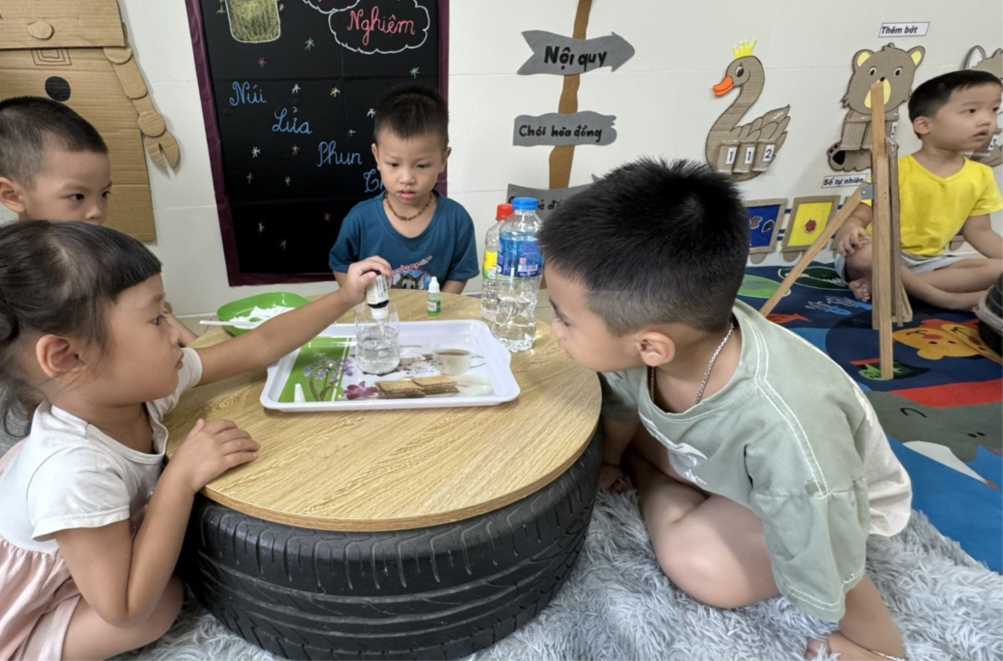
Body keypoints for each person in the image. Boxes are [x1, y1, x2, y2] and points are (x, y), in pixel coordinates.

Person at [0, 220, 389, 660]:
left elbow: (258, 345)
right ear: (67, 357)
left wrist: (343, 297)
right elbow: (126, 607)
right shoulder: (72, 472)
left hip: (64, 546)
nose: (177, 333)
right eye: (156, 319)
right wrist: (179, 479)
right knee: (161, 604)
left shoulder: (134, 387)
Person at [540, 159, 913, 661]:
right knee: (592, 422)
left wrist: (877, 647)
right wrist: (609, 460)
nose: (555, 329)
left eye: (564, 320)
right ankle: (651, 466)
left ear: (651, 347)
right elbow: (624, 399)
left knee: (702, 567)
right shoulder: (665, 341)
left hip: (823, 499)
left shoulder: (789, 427)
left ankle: (650, 476)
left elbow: (825, 530)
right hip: (737, 466)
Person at [0, 96, 197, 343]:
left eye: (104, 194)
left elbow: (157, 313)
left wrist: (194, 345)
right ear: (12, 195)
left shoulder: (100, 251)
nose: (97, 211)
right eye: (77, 196)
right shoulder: (15, 280)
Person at [836, 70, 1003, 310]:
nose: (986, 120)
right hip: (880, 255)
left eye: (994, 110)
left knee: (998, 269)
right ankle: (946, 299)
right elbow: (859, 214)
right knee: (863, 253)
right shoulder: (892, 169)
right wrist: (851, 228)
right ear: (924, 125)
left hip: (931, 263)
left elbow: (980, 232)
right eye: (971, 111)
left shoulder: (982, 175)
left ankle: (888, 287)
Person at [329, 84, 478, 293]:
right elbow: (341, 265)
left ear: (443, 159)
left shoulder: (457, 220)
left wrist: (438, 308)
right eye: (394, 164)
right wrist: (359, 300)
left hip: (434, 313)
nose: (407, 179)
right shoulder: (359, 219)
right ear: (377, 156)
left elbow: (459, 274)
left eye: (422, 165)